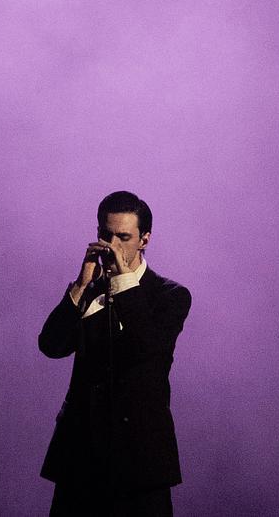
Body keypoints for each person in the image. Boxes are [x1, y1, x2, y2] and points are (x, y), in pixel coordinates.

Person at [38, 190, 191, 516]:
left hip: (139, 464)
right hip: (80, 460)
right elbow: (51, 345)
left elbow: (145, 347)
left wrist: (123, 281)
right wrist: (80, 286)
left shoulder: (170, 296)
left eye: (123, 237)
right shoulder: (87, 289)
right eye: (106, 235)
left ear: (144, 239)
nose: (112, 246)